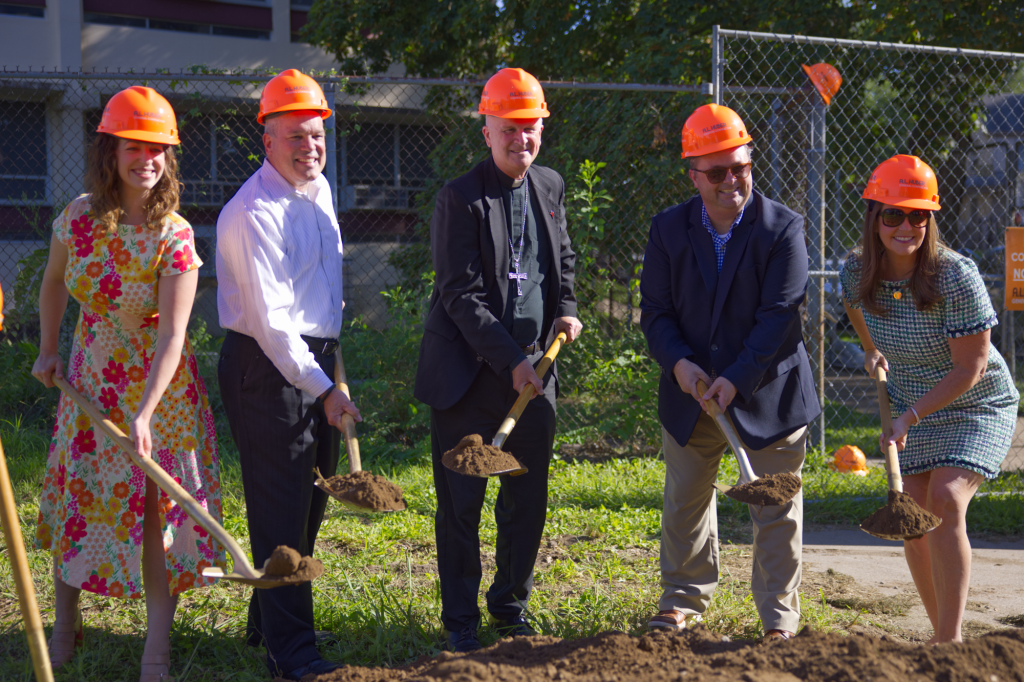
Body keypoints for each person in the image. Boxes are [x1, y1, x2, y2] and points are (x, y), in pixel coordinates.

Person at [31, 86, 224, 682]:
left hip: (158, 396)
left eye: (159, 149)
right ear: (111, 150)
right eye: (136, 146)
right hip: (90, 378)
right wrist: (47, 348)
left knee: (152, 512)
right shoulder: (77, 218)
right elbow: (54, 284)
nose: (148, 158)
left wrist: (142, 415)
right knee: (80, 497)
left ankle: (157, 653)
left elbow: (172, 336)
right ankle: (65, 624)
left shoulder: (176, 235)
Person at [413, 67, 582, 653]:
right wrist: (512, 360)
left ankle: (510, 604)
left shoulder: (551, 186)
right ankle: (459, 619)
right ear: (487, 130)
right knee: (462, 502)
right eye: (509, 128)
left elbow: (563, 258)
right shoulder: (460, 198)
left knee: (525, 499)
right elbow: (460, 295)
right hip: (468, 378)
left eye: (531, 127)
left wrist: (567, 309)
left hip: (535, 375)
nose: (522, 139)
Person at [639, 103, 820, 641]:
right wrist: (680, 365)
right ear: (693, 175)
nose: (730, 181)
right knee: (687, 500)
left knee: (776, 507)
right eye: (716, 172)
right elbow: (656, 313)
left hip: (768, 391)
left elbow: (779, 316)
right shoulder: (668, 230)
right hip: (691, 392)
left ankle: (778, 621)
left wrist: (736, 377)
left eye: (739, 166)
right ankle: (682, 600)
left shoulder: (782, 228)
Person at [215, 68, 360, 680]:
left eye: (317, 134)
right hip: (266, 369)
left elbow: (321, 295)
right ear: (266, 140)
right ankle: (291, 655)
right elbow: (274, 328)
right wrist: (323, 388)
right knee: (280, 510)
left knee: (308, 505)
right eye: (295, 137)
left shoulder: (319, 189)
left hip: (316, 362)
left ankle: (266, 620)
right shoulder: (253, 212)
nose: (310, 148)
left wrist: (334, 372)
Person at [841, 154, 1018, 644]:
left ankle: (949, 642)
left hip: (975, 403)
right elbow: (856, 310)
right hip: (912, 402)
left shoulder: (954, 276)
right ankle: (940, 633)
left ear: (930, 219)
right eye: (894, 214)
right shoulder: (856, 271)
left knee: (943, 500)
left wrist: (909, 417)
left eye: (919, 214)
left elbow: (972, 367)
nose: (907, 225)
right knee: (914, 516)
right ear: (874, 216)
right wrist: (872, 351)